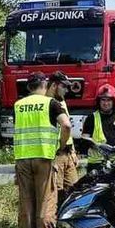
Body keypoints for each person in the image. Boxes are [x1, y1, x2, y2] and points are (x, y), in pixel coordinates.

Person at [14, 72, 72, 228]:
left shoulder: (18, 105)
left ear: (28, 86)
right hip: (44, 158)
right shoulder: (51, 103)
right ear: (45, 85)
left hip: (23, 157)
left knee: (26, 199)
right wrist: (61, 144)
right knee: (45, 200)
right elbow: (66, 125)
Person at [46, 71, 78, 205]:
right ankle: (55, 222)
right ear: (54, 85)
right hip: (56, 153)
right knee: (56, 192)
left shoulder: (61, 102)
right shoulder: (46, 103)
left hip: (68, 152)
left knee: (74, 189)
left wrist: (73, 151)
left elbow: (67, 129)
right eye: (63, 86)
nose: (66, 90)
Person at [80, 84, 115, 173]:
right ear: (99, 102)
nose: (105, 103)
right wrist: (99, 146)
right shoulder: (92, 118)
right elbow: (84, 138)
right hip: (96, 164)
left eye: (108, 100)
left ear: (113, 101)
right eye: (103, 100)